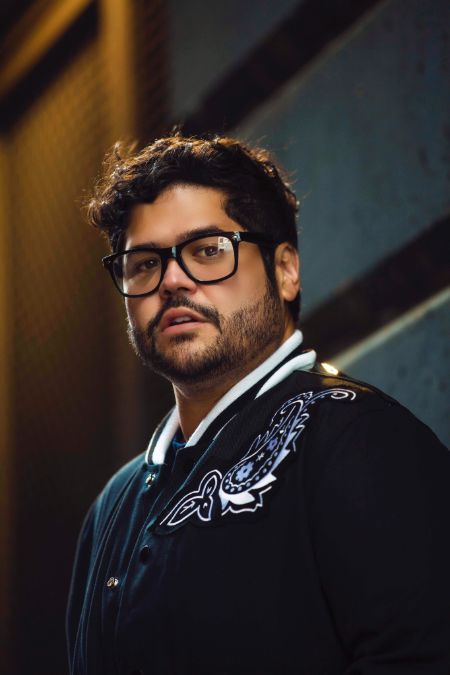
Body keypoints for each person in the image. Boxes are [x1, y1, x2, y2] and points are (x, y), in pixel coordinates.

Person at [66, 134, 450, 675]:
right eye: (144, 263)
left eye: (208, 250)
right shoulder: (112, 506)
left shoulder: (358, 438)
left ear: (285, 270)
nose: (171, 280)